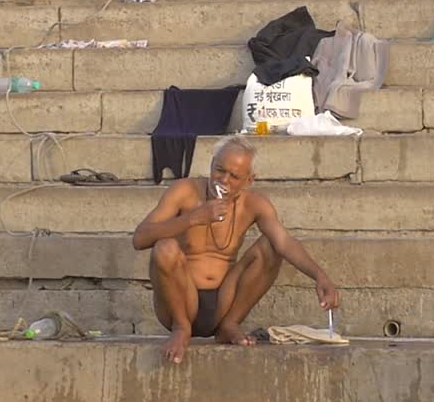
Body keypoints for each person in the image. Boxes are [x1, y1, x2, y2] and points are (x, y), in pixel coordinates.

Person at [132, 136, 341, 363]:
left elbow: (284, 242)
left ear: (249, 180)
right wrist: (192, 219)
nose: (223, 180)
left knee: (270, 246)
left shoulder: (254, 204)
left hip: (224, 300)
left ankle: (229, 324)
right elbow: (140, 238)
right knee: (165, 248)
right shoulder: (185, 191)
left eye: (234, 176)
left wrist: (320, 276)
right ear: (211, 164)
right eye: (219, 170)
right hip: (181, 299)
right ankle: (182, 328)